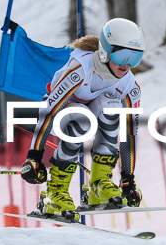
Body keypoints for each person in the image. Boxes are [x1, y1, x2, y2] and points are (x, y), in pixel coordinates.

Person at [20, 18, 144, 219]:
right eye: (122, 56)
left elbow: (130, 133)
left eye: (135, 57)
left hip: (89, 116)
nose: (127, 64)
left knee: (112, 107)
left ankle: (98, 185)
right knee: (80, 117)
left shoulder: (130, 86)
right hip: (58, 114)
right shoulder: (81, 69)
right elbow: (49, 111)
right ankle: (56, 191)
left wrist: (128, 179)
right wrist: (34, 156)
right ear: (105, 50)